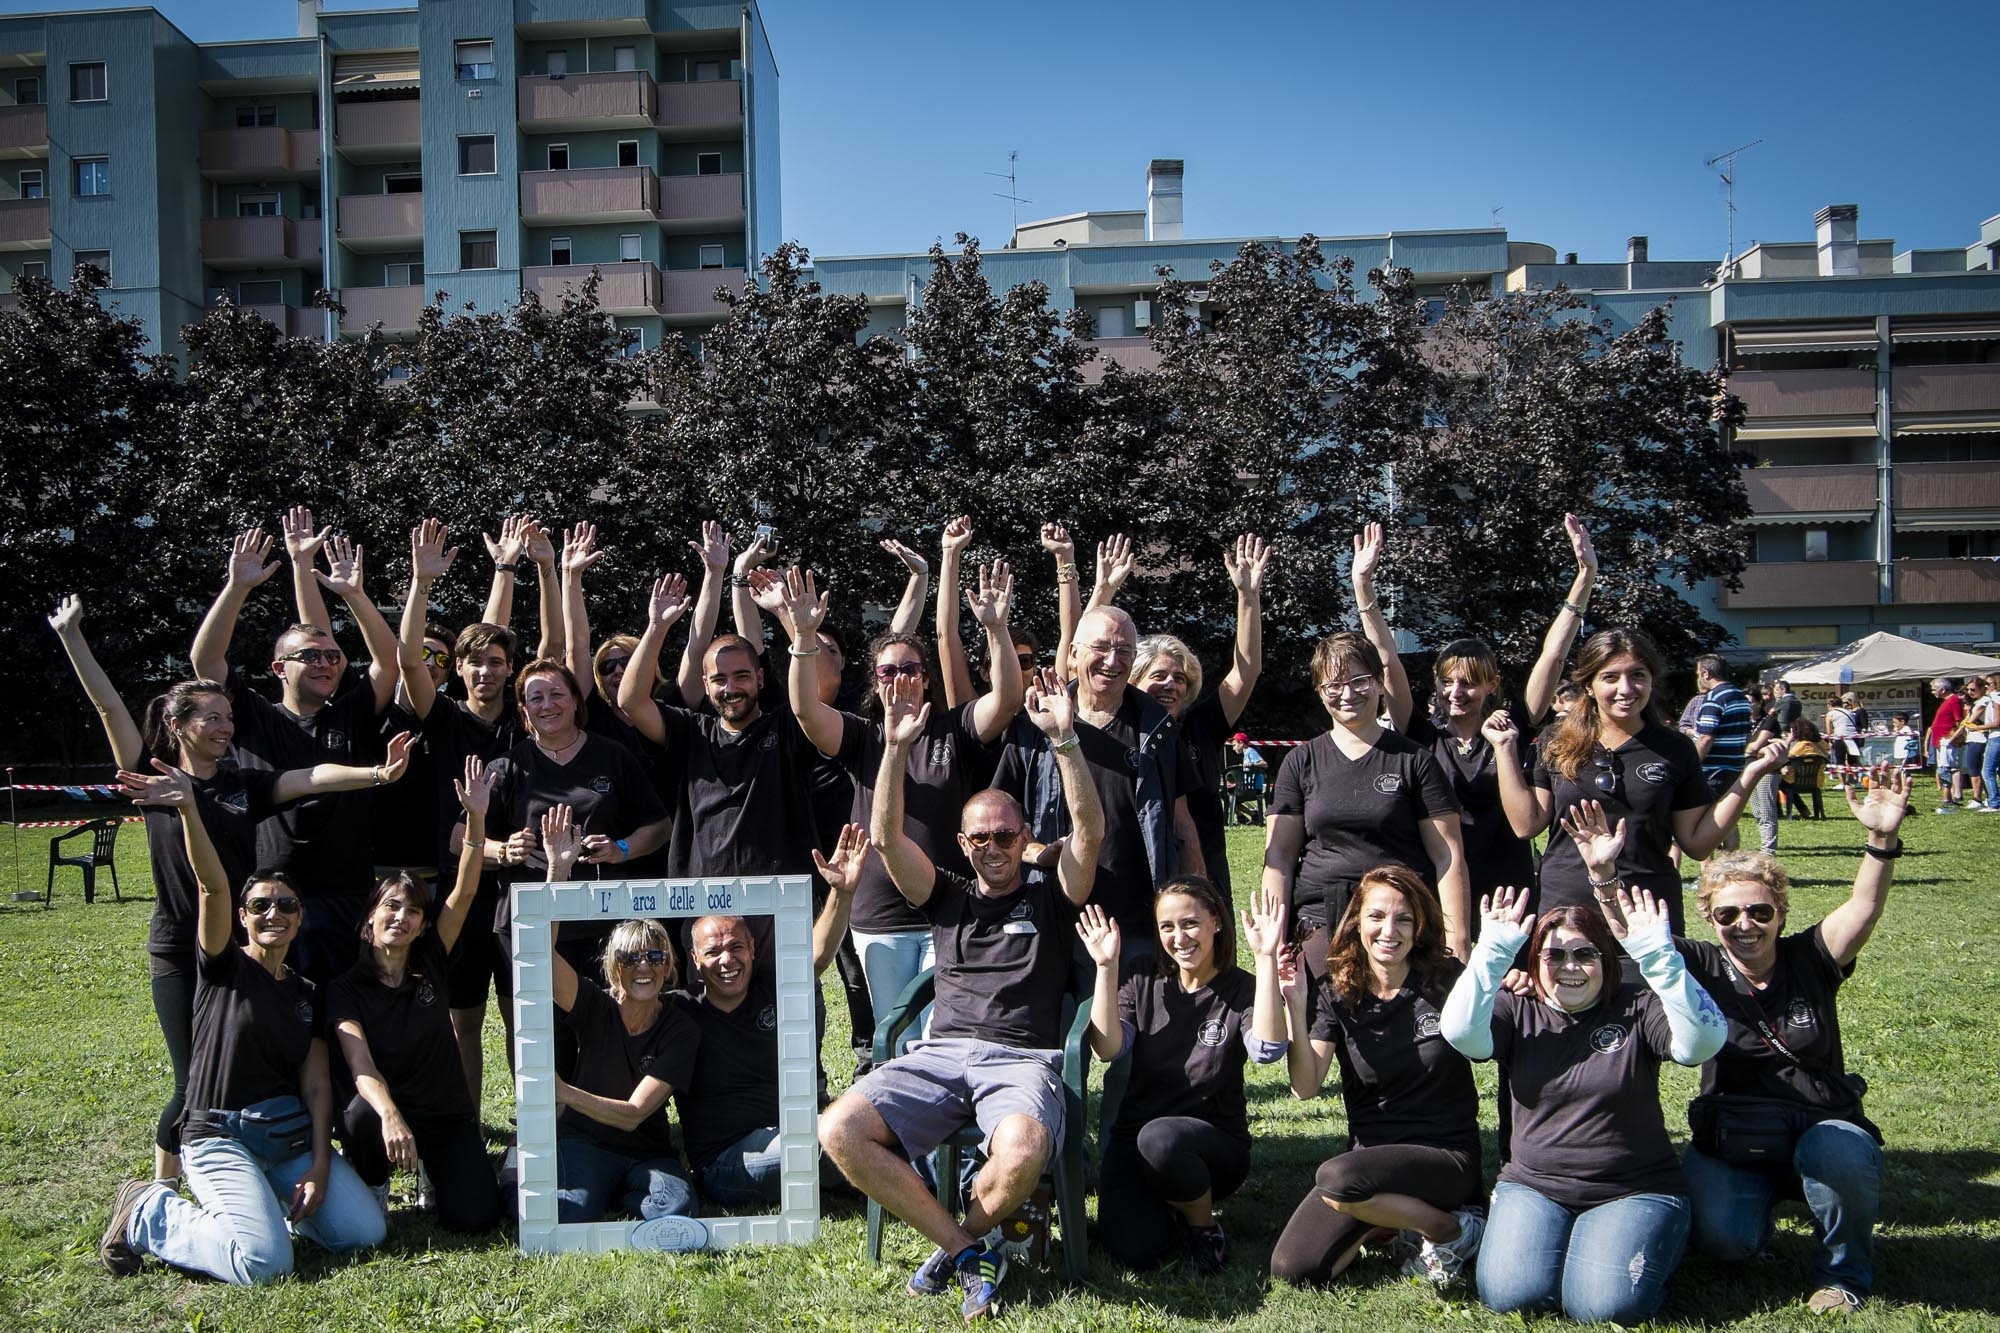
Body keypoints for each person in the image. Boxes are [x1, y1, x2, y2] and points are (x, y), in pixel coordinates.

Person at [54, 595, 414, 1185]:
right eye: (211, 719)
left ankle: (254, 1164)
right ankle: (159, 1191)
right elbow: (108, 706)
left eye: (228, 718)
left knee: (250, 1062)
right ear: (178, 726)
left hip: (239, 947)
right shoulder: (152, 776)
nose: (224, 728)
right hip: (181, 948)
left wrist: (376, 773)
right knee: (192, 1076)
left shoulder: (241, 783)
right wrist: (73, 637)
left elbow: (309, 776)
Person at [819, 673, 1102, 1321]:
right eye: (982, 837)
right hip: (940, 1055)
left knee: (1025, 1150)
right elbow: (887, 838)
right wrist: (892, 747)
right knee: (839, 1128)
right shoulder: (948, 894)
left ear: (1024, 835)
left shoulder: (1051, 891)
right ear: (963, 844)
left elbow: (1087, 833)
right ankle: (970, 1251)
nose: (995, 846)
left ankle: (956, 1247)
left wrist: (1064, 741)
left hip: (1023, 1061)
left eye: (1007, 834)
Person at [101, 770, 387, 1283]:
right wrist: (189, 808)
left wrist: (321, 1167)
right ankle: (149, 1210)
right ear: (241, 917)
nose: (273, 913)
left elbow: (319, 1088)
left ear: (300, 918)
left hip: (287, 1137)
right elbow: (211, 884)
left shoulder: (307, 994)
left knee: (364, 1234)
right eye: (260, 906)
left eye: (286, 906)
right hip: (219, 1133)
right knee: (263, 1265)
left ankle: (266, 1216)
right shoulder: (222, 964)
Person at [1441, 864, 1729, 1324]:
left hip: (1633, 1189)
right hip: (1535, 1186)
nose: (1570, 967)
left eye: (1585, 954)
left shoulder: (1636, 1006)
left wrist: (1661, 958)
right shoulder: (1518, 1008)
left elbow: (1701, 1045)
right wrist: (1492, 953)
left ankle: (1647, 1242)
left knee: (1601, 1306)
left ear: (1607, 961)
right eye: (1554, 956)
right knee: (1509, 1295)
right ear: (1534, 963)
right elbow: (1459, 1033)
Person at [759, 560, 1022, 1048]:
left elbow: (1006, 698)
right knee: (899, 1038)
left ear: (925, 679)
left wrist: (996, 629)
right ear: (876, 681)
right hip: (879, 915)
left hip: (949, 907)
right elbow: (804, 709)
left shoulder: (955, 729)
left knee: (946, 1034)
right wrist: (802, 636)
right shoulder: (863, 736)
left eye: (910, 669)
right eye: (888, 670)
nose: (899, 678)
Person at [1677, 765, 1907, 1316]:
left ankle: (1843, 1275)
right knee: (1725, 1244)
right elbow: (1630, 949)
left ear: (1780, 913)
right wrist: (1605, 878)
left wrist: (1880, 840)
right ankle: (1757, 1216)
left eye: (1760, 911)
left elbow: (1863, 908)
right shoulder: (1697, 964)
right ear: (1709, 918)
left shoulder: (1810, 958)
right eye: (1728, 913)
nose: (1745, 925)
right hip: (1736, 1131)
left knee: (1840, 1151)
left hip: (1822, 1122)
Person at [191, 525, 404, 982]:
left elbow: (389, 662)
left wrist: (354, 594)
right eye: (310, 655)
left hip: (346, 894)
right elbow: (206, 662)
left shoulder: (348, 714)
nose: (325, 663)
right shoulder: (253, 716)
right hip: (274, 895)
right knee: (280, 1013)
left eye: (332, 656)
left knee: (342, 1012)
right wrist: (237, 587)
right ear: (278, 668)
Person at [1485, 627, 1783, 934]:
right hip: (1569, 908)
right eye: (1610, 677)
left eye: (1637, 675)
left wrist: (1750, 776)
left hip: (1648, 907)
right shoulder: (1556, 740)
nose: (1626, 688)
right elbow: (1526, 824)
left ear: (1651, 679)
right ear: (1589, 684)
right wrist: (1505, 748)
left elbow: (1696, 843)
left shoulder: (1675, 748)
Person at [1263, 528, 1471, 968]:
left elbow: (1447, 854)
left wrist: (1458, 940)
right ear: (1320, 692)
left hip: (1402, 923)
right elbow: (1278, 856)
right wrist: (1273, 937)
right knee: (1315, 1036)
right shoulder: (1301, 761)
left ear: (1378, 684)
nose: (1348, 693)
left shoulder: (1413, 759)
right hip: (1321, 920)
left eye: (1359, 681)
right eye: (1334, 685)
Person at [1269, 866, 1484, 1289]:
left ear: (1419, 926)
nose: (1390, 930)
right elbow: (1305, 1086)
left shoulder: (1447, 981)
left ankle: (1453, 1230)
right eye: (1377, 916)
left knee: (1337, 1182)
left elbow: (1495, 1036)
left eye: (1403, 918)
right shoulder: (1337, 990)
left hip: (1444, 1156)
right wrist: (1294, 1004)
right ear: (1357, 922)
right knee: (1294, 1267)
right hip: (1368, 1162)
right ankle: (1392, 1222)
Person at [1373, 515, 1597, 913]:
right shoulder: (1423, 734)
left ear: (1492, 684)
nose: (1455, 692)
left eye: (1469, 683)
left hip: (1509, 888)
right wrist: (1363, 588)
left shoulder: (1513, 727)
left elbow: (1554, 656)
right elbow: (1388, 663)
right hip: (1440, 885)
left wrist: (1584, 577)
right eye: (1447, 682)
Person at [329, 756, 503, 1233]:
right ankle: (373, 1184)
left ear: (424, 925)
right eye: (391, 906)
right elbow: (361, 1067)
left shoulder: (431, 960)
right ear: (370, 918)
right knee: (361, 1114)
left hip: (445, 1112)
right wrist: (391, 1116)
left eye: (413, 911)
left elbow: (464, 892)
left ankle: (433, 1169)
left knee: (477, 1219)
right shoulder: (345, 988)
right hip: (384, 1110)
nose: (401, 917)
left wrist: (476, 817)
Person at [1081, 879, 1287, 1272]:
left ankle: (1204, 1229)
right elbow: (1107, 1048)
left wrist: (1266, 960)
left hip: (1212, 1146)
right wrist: (1106, 968)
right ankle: (1168, 1207)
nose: (1180, 937)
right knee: (1136, 1251)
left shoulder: (1241, 988)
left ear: (1216, 923)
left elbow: (1268, 1051)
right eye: (1167, 927)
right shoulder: (1143, 975)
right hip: (1135, 1140)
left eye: (1190, 923)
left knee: (1162, 1139)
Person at [992, 601, 1205, 971]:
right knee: (1058, 1027)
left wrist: (1199, 897)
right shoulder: (1032, 724)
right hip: (1052, 916)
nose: (1112, 660)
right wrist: (1038, 853)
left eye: (1124, 650)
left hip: (1137, 921)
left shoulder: (1158, 729)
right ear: (1073, 654)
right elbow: (999, 822)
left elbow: (1181, 823)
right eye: (1102, 648)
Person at [672, 823, 864, 1208]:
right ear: (695, 960)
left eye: (736, 947)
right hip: (729, 1162)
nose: (727, 960)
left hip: (790, 1133)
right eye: (713, 952)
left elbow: (818, 955)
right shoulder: (679, 1009)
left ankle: (904, 1175)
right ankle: (910, 1176)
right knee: (839, 1141)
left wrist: (841, 893)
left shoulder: (769, 990)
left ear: (753, 948)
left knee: (859, 1126)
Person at [538, 805, 699, 1223]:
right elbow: (540, 955)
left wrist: (563, 1092)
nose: (642, 966)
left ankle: (611, 1193)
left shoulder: (680, 1024)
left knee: (677, 1208)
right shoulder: (594, 1003)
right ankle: (594, 1189)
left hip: (646, 1151)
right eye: (630, 957)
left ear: (668, 967)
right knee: (565, 1214)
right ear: (613, 967)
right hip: (583, 1142)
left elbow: (632, 1116)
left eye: (654, 956)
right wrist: (558, 870)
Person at [462, 659, 672, 977]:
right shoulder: (506, 767)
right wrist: (504, 850)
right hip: (532, 919)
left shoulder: (614, 757)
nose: (548, 705)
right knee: (539, 1024)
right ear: (523, 709)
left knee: (606, 1018)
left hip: (604, 918)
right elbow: (458, 840)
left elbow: (660, 826)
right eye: (536, 698)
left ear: (575, 700)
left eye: (557, 694)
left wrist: (622, 848)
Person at [1125, 533, 1273, 902]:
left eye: (1179, 678)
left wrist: (1248, 596)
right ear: (1133, 680)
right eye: (1158, 676)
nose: (1170, 685)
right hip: (1136, 882)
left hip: (1206, 877)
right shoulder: (1117, 730)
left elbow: (1248, 671)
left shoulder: (1200, 727)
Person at [1691, 655, 1754, 852]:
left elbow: (1706, 738)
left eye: (1697, 674)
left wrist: (1690, 766)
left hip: (1713, 770)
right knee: (1729, 820)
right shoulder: (1741, 697)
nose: (1697, 678)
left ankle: (1709, 873)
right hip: (1735, 767)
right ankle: (1731, 868)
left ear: (1706, 673)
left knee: (1704, 823)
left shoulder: (1714, 698)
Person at [1926, 676, 1965, 810]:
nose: (1932, 692)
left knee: (1946, 768)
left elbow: (1959, 722)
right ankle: (1948, 796)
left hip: (1948, 741)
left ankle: (1950, 796)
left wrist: (1954, 738)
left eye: (1934, 689)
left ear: (1942, 689)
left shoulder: (1953, 701)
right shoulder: (1946, 701)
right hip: (1940, 741)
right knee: (1943, 768)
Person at [1781, 718, 1830, 821]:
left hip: (1794, 781)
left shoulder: (1801, 746)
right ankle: (1805, 810)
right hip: (1816, 782)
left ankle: (1779, 812)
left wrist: (1788, 740)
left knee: (1777, 782)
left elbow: (1783, 757)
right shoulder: (1821, 745)